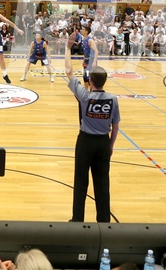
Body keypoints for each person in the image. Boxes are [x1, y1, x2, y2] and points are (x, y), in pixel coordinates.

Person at [66, 32, 120, 223]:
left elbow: (69, 72)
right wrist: (111, 145)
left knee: (80, 182)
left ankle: (77, 219)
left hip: (86, 142)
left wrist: (67, 48)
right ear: (104, 81)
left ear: (91, 80)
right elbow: (116, 125)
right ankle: (104, 221)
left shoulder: (84, 96)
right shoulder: (113, 99)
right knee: (102, 183)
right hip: (103, 143)